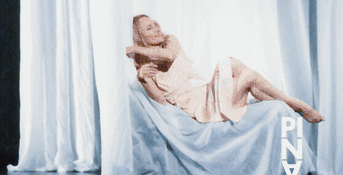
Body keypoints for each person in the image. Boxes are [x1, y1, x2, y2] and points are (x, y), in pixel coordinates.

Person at [127, 14, 322, 125]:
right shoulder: (147, 70)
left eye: (155, 24)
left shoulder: (171, 42)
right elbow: (161, 102)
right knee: (246, 75)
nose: (157, 29)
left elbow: (169, 57)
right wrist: (143, 79)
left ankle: (291, 104)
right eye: (149, 29)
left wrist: (133, 49)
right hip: (202, 109)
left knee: (233, 65)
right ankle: (295, 104)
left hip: (208, 93)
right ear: (141, 37)